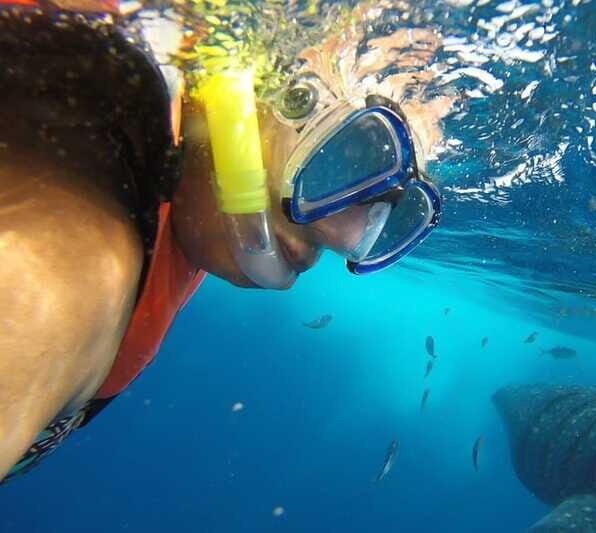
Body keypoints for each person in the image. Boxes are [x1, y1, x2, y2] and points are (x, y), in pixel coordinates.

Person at [0, 0, 453, 482]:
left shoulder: (183, 202)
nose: (331, 239)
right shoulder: (72, 257)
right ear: (257, 93)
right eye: (348, 159)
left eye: (380, 217)